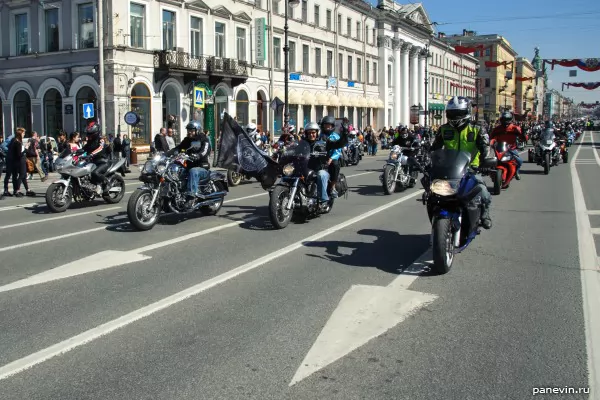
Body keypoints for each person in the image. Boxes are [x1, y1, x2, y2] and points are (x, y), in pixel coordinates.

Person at [431, 96, 492, 229]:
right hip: (449, 169)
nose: (455, 116)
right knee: (432, 193)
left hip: (471, 169)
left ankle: (485, 214)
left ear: (467, 112)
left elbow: (485, 147)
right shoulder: (443, 129)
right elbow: (434, 148)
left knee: (483, 191)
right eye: (452, 113)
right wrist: (427, 160)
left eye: (459, 113)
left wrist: (485, 162)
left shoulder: (477, 129)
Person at [168, 120, 210, 199]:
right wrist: (166, 154)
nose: (189, 132)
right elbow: (178, 148)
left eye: (191, 130)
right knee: (175, 171)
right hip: (188, 166)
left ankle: (191, 196)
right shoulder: (187, 140)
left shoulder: (204, 139)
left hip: (202, 167)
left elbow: (205, 151)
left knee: (193, 171)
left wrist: (198, 155)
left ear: (197, 130)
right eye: (188, 130)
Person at [490, 111, 526, 182]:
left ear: (510, 119)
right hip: (499, 148)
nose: (505, 121)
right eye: (504, 119)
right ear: (501, 119)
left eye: (507, 119)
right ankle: (492, 173)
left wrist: (523, 135)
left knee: (519, 161)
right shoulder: (497, 129)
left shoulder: (515, 128)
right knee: (490, 161)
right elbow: (491, 137)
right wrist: (491, 142)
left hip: (511, 149)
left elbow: (522, 137)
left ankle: (516, 172)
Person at [82, 122, 111, 195]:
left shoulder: (101, 140)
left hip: (103, 161)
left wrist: (91, 154)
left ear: (96, 133)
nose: (89, 135)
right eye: (88, 133)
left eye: (91, 133)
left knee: (95, 173)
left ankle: (106, 183)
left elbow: (100, 148)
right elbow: (84, 148)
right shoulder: (90, 141)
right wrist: (75, 152)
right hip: (93, 161)